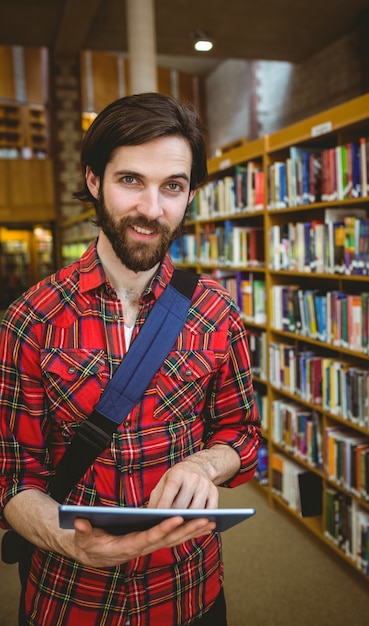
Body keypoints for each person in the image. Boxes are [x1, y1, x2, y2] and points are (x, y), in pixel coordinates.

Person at [0, 92, 261, 626]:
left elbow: (242, 432)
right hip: (71, 596)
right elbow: (12, 477)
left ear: (190, 194)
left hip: (189, 589)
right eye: (130, 180)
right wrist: (71, 544)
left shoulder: (216, 312)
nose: (151, 208)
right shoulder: (30, 318)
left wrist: (204, 463)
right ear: (94, 181)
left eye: (173, 186)